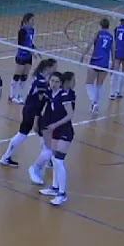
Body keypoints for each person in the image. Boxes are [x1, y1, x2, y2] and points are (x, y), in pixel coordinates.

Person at [0, 57, 57, 169]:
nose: (56, 69)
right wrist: (37, 117)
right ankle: (48, 160)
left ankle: (6, 157)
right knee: (40, 134)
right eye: (55, 67)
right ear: (48, 68)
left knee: (26, 134)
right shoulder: (41, 82)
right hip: (33, 112)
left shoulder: (39, 77)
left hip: (29, 109)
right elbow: (40, 100)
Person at [35, 71, 76, 207]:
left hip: (65, 131)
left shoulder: (64, 95)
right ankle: (54, 187)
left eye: (57, 82)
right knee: (53, 159)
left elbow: (70, 115)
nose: (54, 84)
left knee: (58, 160)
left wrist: (55, 125)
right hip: (55, 131)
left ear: (61, 83)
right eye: (52, 81)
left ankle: (62, 194)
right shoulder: (50, 94)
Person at [81, 17, 113, 113]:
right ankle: (95, 105)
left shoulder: (98, 34)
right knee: (99, 85)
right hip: (105, 63)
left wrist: (83, 55)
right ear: (108, 26)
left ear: (100, 25)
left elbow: (89, 45)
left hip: (95, 61)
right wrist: (112, 65)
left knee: (89, 83)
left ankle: (94, 102)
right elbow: (113, 51)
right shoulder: (111, 37)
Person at [11, 13, 36, 103]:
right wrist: (30, 50)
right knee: (17, 76)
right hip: (21, 55)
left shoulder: (32, 30)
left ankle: (19, 95)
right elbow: (21, 44)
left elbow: (31, 42)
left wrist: (35, 50)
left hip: (29, 56)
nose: (33, 22)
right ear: (27, 21)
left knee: (24, 77)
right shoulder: (22, 31)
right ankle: (12, 95)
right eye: (32, 20)